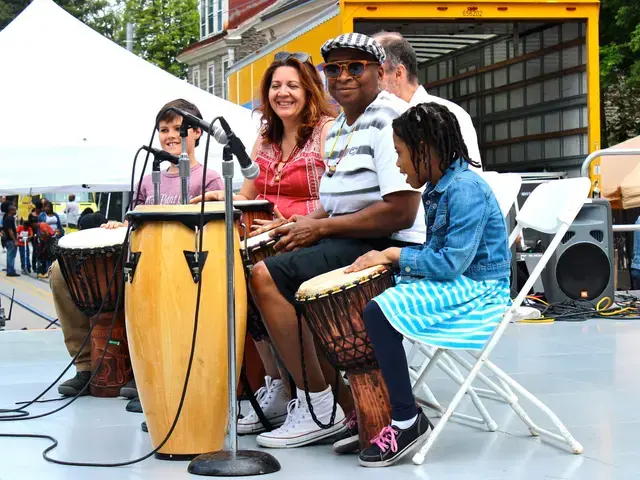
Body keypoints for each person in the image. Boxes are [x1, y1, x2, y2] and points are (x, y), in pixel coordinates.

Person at [248, 33, 424, 449]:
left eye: (355, 67)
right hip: (353, 233)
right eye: (334, 68)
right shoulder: (344, 124)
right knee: (267, 256)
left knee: (265, 277)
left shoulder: (390, 119)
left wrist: (319, 229)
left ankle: (317, 405)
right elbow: (334, 202)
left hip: (387, 244)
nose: (343, 76)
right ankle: (336, 405)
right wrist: (291, 227)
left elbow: (402, 211)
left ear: (380, 73)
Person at [345, 103, 511, 467]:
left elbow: (452, 263)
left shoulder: (465, 189)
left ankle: (406, 419)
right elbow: (438, 253)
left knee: (379, 310)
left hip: (479, 291)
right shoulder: (440, 186)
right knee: (371, 298)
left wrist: (393, 256)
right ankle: (377, 405)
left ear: (426, 148)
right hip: (460, 281)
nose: (399, 164)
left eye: (401, 153)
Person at [191, 52, 336, 434]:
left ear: (309, 90)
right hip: (267, 235)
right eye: (275, 86)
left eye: (292, 85)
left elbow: (337, 198)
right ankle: (274, 384)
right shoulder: (266, 136)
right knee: (232, 280)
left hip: (309, 232)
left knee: (254, 274)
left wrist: (290, 222)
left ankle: (311, 395)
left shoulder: (326, 130)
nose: (282, 93)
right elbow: (249, 193)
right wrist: (218, 198)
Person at [56, 99, 223, 406]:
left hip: (180, 263)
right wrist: (117, 227)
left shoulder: (210, 178)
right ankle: (86, 365)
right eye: (163, 129)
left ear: (198, 133)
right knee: (59, 271)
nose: (170, 135)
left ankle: (146, 370)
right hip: (142, 255)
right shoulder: (148, 179)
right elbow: (134, 221)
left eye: (178, 128)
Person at [372, 32, 482, 168]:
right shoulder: (368, 119)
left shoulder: (452, 116)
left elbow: (468, 180)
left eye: (377, 75)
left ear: (398, 73)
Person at [3, 205, 19, 277]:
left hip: (8, 239)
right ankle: (10, 271)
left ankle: (10, 270)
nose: (16, 211)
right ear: (11, 211)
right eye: (15, 210)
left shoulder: (7, 218)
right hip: (10, 240)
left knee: (10, 255)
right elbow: (10, 230)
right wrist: (15, 240)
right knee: (11, 256)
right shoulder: (10, 219)